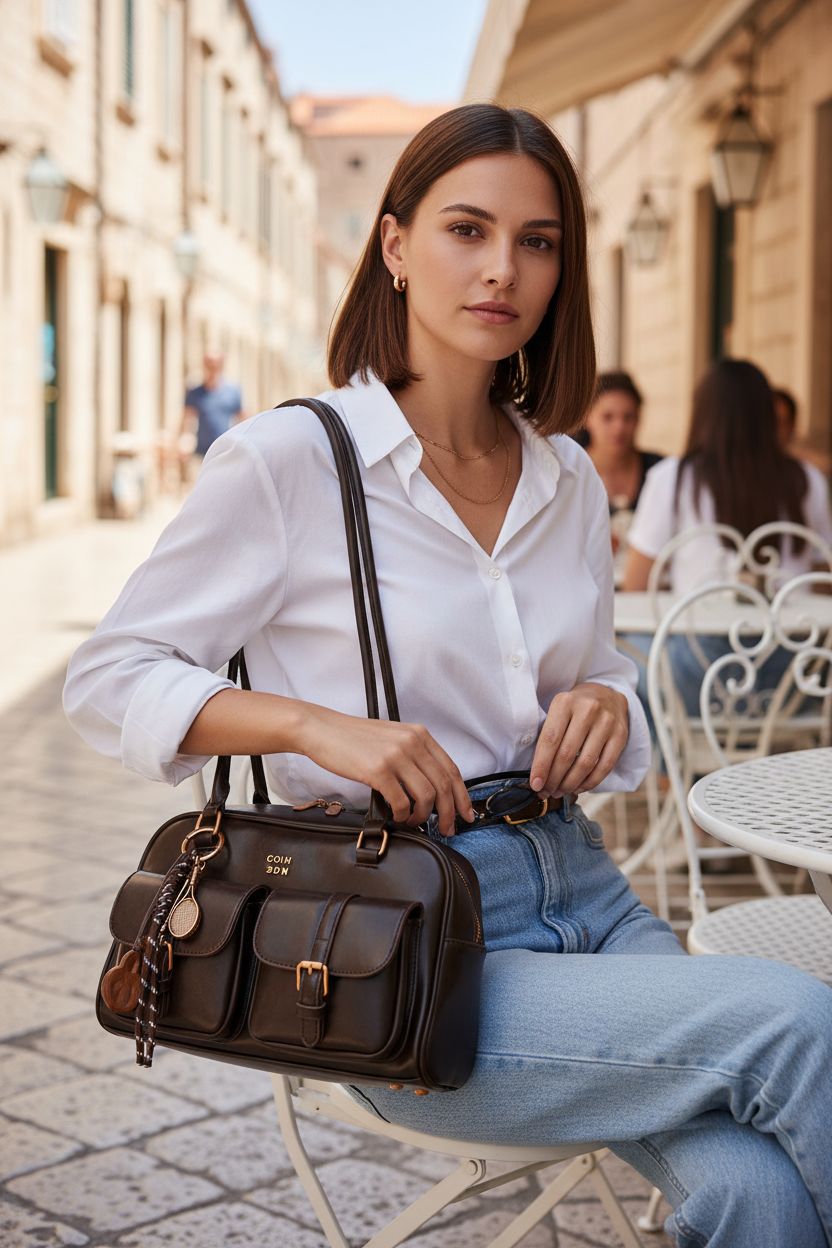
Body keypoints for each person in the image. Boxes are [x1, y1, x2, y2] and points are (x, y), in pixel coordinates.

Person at [62, 105, 832, 1248]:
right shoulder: (292, 461)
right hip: (400, 946)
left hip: (584, 890)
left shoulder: (566, 477)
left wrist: (600, 701)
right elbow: (108, 674)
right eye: (466, 229)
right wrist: (318, 726)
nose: (501, 270)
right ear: (392, 247)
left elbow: (599, 678)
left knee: (755, 1193)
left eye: (537, 241)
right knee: (798, 1024)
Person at [181, 352, 245, 466]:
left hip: (225, 452)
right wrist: (185, 441)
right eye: (209, 365)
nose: (212, 369)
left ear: (221, 366)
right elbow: (187, 419)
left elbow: (243, 419)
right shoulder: (195, 392)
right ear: (204, 366)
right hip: (200, 454)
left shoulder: (233, 392)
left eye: (216, 365)